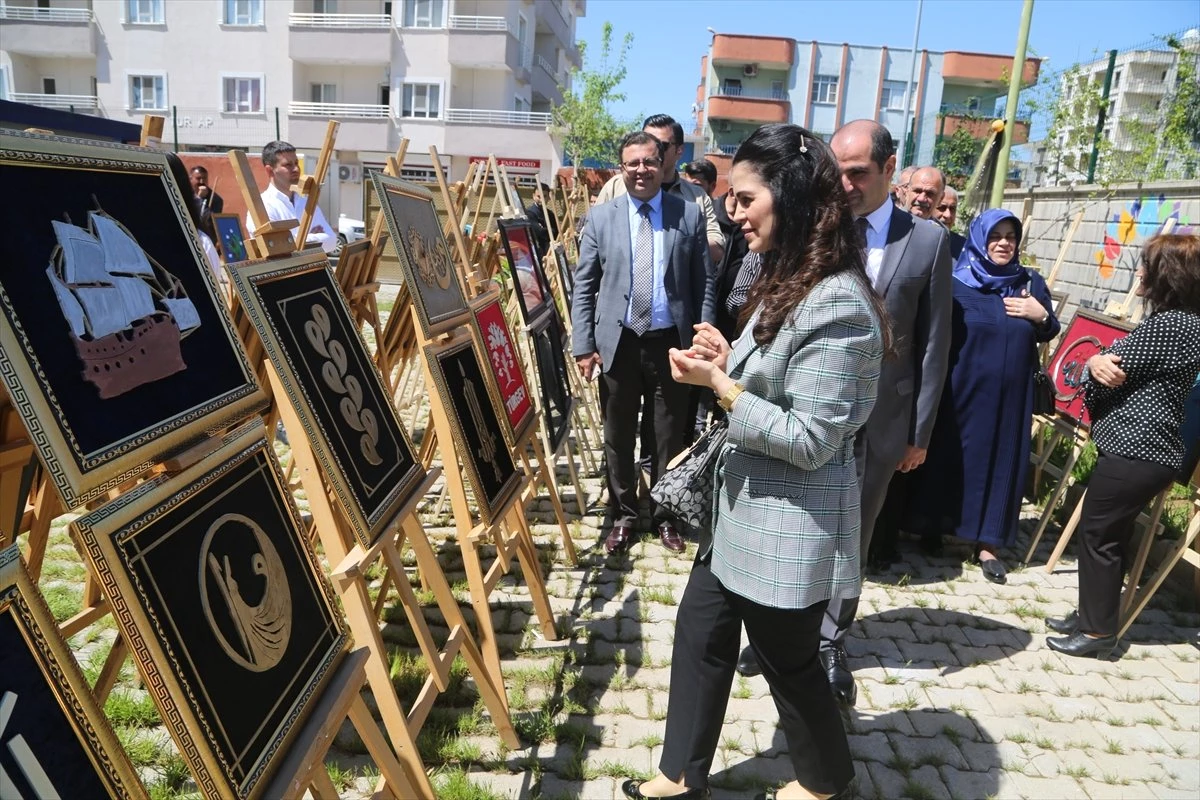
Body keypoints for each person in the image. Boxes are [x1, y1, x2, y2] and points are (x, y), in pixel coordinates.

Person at [619, 123, 886, 800]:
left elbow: (810, 437)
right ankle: (679, 775)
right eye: (730, 198)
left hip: (788, 524)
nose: (732, 212)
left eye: (744, 198)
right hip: (740, 512)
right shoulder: (786, 275)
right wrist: (725, 356)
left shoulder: (839, 303)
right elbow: (772, 375)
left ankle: (826, 785)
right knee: (700, 634)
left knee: (789, 665)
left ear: (791, 196)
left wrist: (721, 387)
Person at [759, 119, 950, 705]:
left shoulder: (926, 242)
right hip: (806, 411)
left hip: (882, 423)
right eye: (836, 171)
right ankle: (776, 634)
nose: (843, 185)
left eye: (857, 173)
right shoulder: (810, 228)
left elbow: (934, 343)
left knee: (853, 536)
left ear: (890, 170)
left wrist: (919, 431)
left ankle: (829, 639)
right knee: (793, 523)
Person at [1046, 234, 1200, 658]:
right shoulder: (1185, 323)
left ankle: (1097, 633)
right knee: (1106, 534)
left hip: (1139, 451)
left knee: (1099, 536)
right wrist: (1099, 364)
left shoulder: (1172, 325)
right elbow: (1110, 366)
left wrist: (1096, 363)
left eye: (1146, 266)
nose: (1138, 273)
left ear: (1167, 275)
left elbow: (1110, 368)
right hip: (1142, 452)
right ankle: (1091, 615)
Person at [571, 131, 714, 556]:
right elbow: (585, 285)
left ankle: (664, 515)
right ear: (622, 168)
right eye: (632, 163)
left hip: (672, 344)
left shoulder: (687, 215)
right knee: (618, 435)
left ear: (663, 163)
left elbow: (704, 283)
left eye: (649, 162)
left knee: (668, 436)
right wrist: (583, 344)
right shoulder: (602, 218)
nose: (641, 170)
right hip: (619, 343)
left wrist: (702, 337)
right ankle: (623, 515)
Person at [906, 209, 1060, 582]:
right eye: (996, 236)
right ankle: (934, 526)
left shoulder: (1030, 282)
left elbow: (1049, 331)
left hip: (1011, 399)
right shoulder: (956, 281)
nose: (1004, 243)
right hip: (960, 391)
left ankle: (988, 544)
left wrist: (1040, 315)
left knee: (1000, 464)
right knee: (951, 457)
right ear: (979, 237)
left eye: (1010, 236)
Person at [595, 114, 725, 266]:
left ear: (680, 150)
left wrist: (677, 244)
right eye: (646, 141)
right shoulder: (615, 187)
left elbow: (717, 249)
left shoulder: (696, 197)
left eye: (662, 145)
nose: (652, 149)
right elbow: (591, 237)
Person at [248, 140, 336, 254]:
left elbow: (332, 241)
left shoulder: (307, 202)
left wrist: (293, 240)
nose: (296, 169)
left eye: (296, 163)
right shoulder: (262, 206)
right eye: (288, 165)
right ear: (270, 171)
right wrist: (314, 238)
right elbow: (274, 249)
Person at [527, 182, 559, 256]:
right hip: (537, 253)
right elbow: (539, 232)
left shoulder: (550, 214)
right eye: (539, 196)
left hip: (550, 252)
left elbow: (556, 233)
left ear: (548, 197)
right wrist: (549, 230)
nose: (542, 200)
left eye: (544, 196)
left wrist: (547, 230)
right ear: (533, 196)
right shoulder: (530, 213)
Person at [936, 186, 966, 260]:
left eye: (952, 209)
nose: (948, 215)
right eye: (942, 208)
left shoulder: (963, 246)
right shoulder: (914, 239)